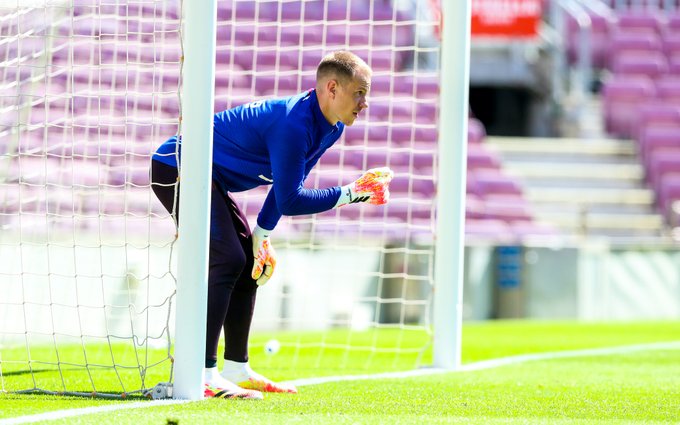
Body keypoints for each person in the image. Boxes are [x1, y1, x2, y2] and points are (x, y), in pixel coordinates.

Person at [150, 50, 393, 400]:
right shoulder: (294, 124)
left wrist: (261, 237)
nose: (365, 103)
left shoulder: (331, 126)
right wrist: (351, 193)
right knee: (229, 259)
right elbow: (292, 199)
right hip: (176, 167)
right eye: (360, 92)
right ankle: (200, 373)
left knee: (249, 263)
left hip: (208, 176)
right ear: (332, 88)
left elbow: (284, 189)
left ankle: (236, 367)